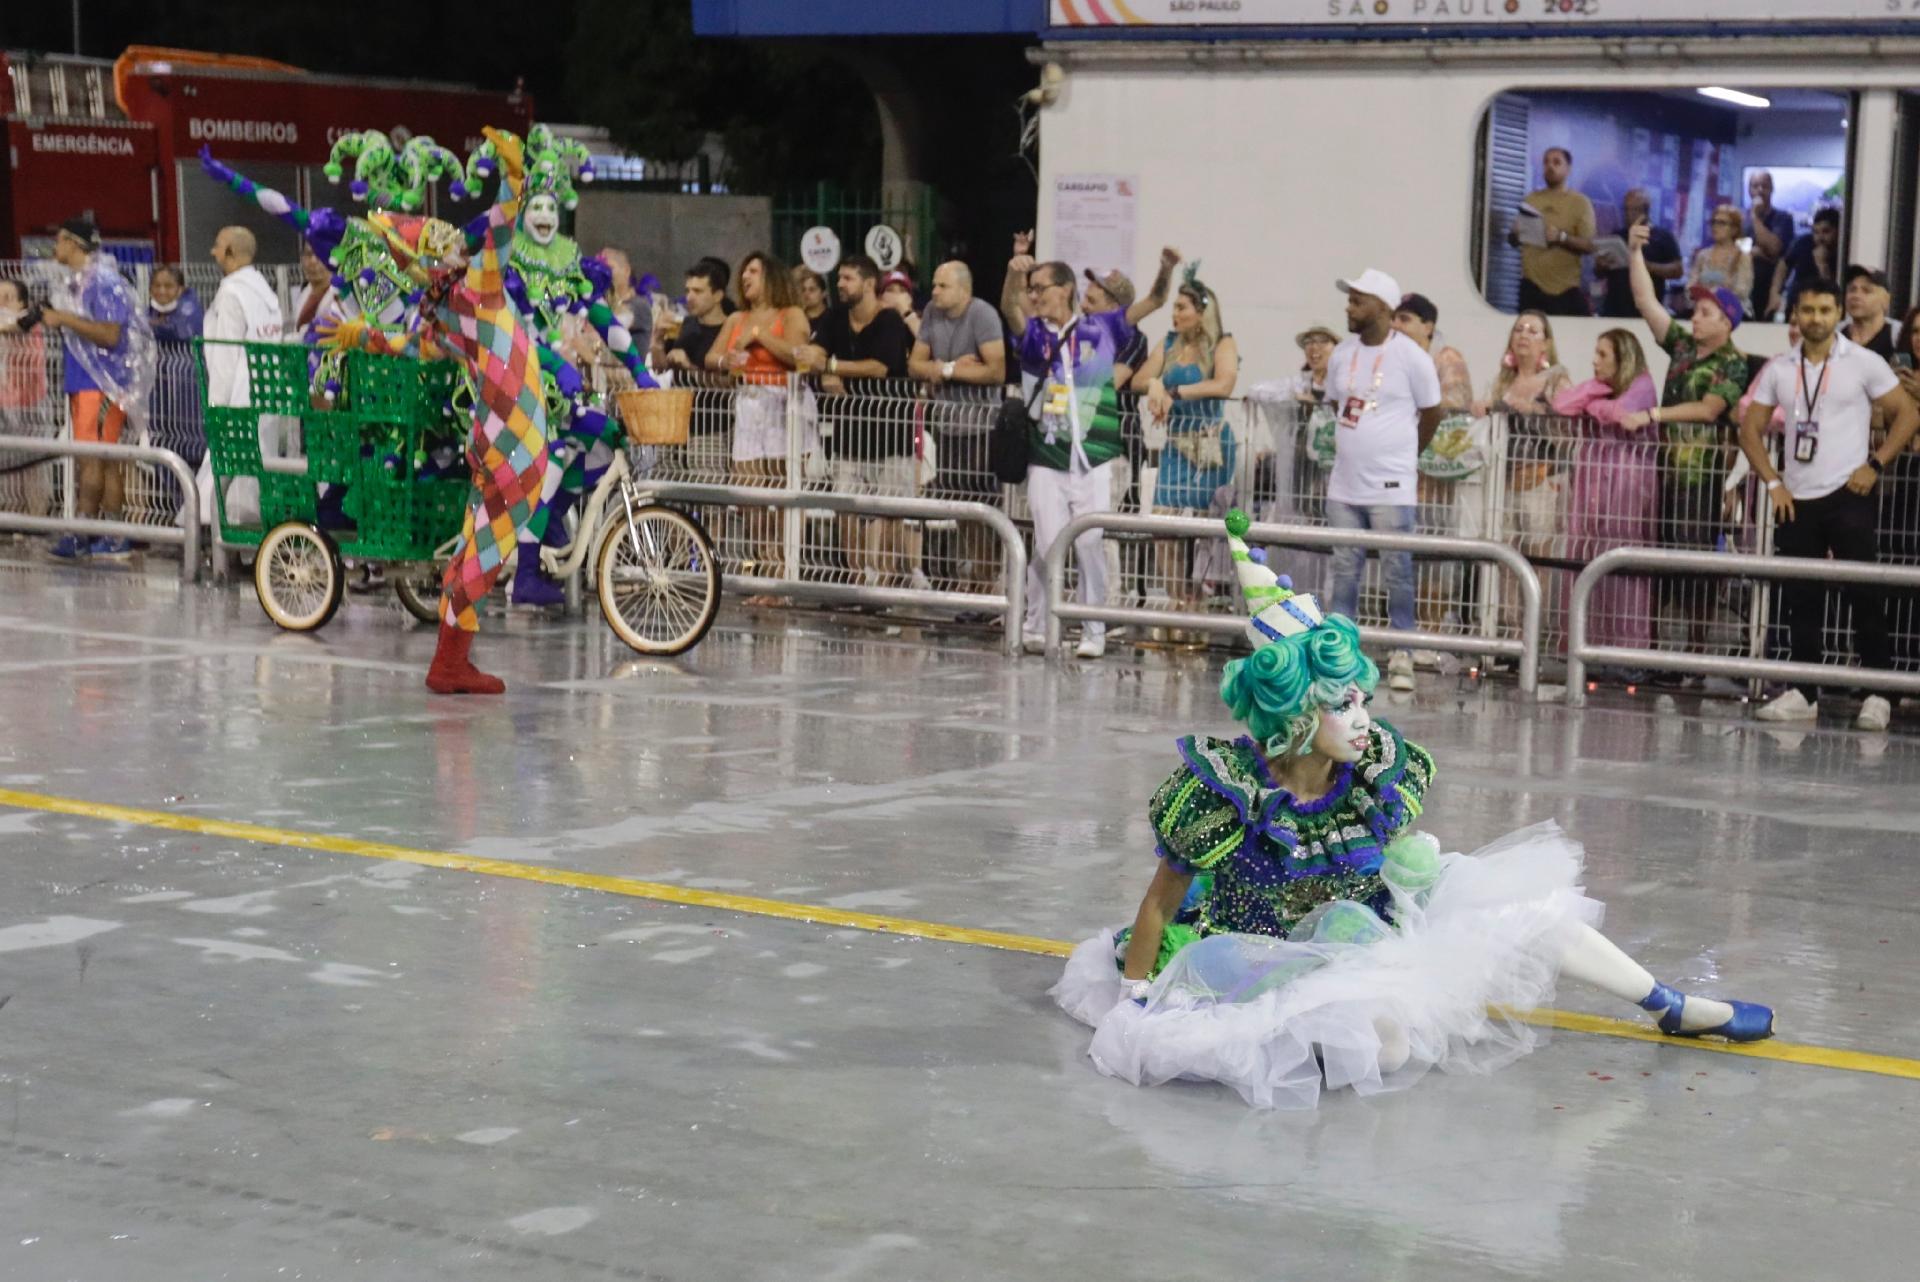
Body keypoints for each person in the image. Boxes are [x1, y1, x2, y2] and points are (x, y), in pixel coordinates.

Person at [1050, 510, 1773, 1110]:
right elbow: (1157, 905)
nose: (1362, 717)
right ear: (1295, 713)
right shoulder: (1229, 792)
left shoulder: (1370, 772)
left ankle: (1667, 1004)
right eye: (1342, 703)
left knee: (1527, 908)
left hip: (1370, 925)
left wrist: (1410, 866)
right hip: (1262, 957)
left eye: (1361, 697)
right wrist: (1137, 1000)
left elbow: (1387, 859)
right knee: (1388, 1045)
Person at [318, 128, 550, 694]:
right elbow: (499, 230)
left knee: (479, 547)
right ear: (434, 260)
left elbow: (412, 346)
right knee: (487, 552)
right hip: (514, 445)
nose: (457, 246)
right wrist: (513, 183)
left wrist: (365, 336)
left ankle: (454, 662)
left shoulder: (446, 309)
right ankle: (449, 665)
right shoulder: (475, 292)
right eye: (445, 243)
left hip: (494, 439)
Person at [1740, 277, 1920, 730]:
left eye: (1824, 310)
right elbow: (1750, 428)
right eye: (1807, 310)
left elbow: (1908, 413)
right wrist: (1772, 481)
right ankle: (1803, 689)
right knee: (1801, 595)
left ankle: (1879, 691)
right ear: (1796, 314)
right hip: (1796, 496)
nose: (1815, 319)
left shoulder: (1863, 362)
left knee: (1864, 592)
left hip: (1850, 492)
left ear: (1837, 311)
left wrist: (1876, 465)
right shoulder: (1781, 367)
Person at [1622, 220, 1751, 660]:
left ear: (1728, 322)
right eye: (1695, 311)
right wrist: (1635, 253)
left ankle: (1694, 653)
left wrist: (1654, 414)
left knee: (1696, 568)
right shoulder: (1680, 347)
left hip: (1701, 479)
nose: (1693, 318)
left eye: (1705, 313)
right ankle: (1656, 650)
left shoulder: (1734, 363)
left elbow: (1710, 409)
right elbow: (1645, 301)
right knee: (1660, 564)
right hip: (1666, 473)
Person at [1323, 269, 1444, 690]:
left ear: (1383, 307)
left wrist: (1406, 456)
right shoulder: (1342, 353)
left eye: (1358, 300)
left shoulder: (1411, 357)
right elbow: (1337, 403)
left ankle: (1402, 654)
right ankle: (1339, 655)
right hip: (1344, 484)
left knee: (1398, 571)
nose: (1349, 307)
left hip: (1392, 486)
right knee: (1343, 570)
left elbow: (1433, 412)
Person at [1008, 258, 1130, 658]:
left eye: (1040, 287)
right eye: (1031, 288)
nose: (1033, 296)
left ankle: (1093, 631)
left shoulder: (1100, 328)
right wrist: (1013, 274)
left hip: (1093, 456)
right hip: (1047, 456)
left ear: (1064, 288)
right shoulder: (1032, 336)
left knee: (1091, 544)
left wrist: (1165, 272)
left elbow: (1151, 303)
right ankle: (1036, 625)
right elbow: (1010, 306)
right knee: (1047, 545)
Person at [797, 254, 916, 593]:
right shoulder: (835, 318)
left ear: (868, 284)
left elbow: (881, 366)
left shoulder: (889, 321)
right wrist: (826, 370)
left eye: (847, 278)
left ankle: (890, 585)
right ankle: (855, 583)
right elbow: (810, 356)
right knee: (846, 509)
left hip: (891, 433)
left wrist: (833, 367)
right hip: (848, 434)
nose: (840, 284)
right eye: (839, 278)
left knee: (891, 512)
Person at [38, 215, 155, 559]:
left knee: (101, 460)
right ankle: (93, 531)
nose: (55, 247)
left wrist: (63, 318)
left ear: (73, 243)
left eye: (59, 240)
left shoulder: (103, 282)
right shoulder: (76, 282)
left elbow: (110, 334)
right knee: (93, 459)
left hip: (103, 384)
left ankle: (100, 532)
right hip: (85, 381)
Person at [1552, 329, 1660, 664]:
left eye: (1603, 355)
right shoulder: (1601, 388)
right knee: (1586, 557)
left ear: (1623, 358)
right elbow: (1561, 404)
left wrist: (1593, 404)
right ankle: (1586, 645)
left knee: (1623, 565)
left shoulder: (1642, 385)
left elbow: (1624, 415)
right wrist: (1597, 392)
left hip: (1628, 488)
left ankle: (1627, 652)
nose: (1594, 361)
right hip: (1593, 485)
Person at [709, 251, 813, 599]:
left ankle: (782, 576)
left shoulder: (791, 314)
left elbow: (800, 355)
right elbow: (713, 357)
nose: (745, 278)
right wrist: (730, 356)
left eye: (753, 271)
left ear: (771, 276)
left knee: (780, 494)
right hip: (749, 403)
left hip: (783, 407)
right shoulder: (736, 317)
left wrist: (761, 337)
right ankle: (764, 572)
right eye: (744, 272)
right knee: (751, 496)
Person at [1135, 268, 1240, 609]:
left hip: (1209, 444)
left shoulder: (1223, 343)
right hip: (1176, 445)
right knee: (1163, 522)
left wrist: (1173, 390)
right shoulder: (1168, 343)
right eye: (1175, 307)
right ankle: (1179, 600)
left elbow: (1224, 384)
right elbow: (1138, 380)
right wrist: (1154, 384)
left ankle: (1202, 599)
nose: (1175, 314)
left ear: (1202, 311)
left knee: (1205, 525)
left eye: (1182, 307)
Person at [908, 261, 1007, 594]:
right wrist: (953, 367)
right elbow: (915, 365)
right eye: (934, 284)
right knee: (962, 508)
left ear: (963, 290)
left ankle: (987, 580)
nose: (934, 292)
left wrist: (945, 370)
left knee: (983, 508)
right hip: (948, 426)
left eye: (942, 286)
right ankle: (978, 581)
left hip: (982, 427)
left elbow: (995, 371)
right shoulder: (932, 316)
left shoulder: (983, 315)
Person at [1392, 294, 1475, 645]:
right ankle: (1408, 638)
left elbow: (1455, 403)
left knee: (1434, 563)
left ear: (1428, 326)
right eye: (1394, 318)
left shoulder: (1445, 358)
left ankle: (1432, 636)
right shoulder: (1392, 357)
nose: (1396, 325)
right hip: (1403, 478)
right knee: (1406, 562)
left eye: (1406, 319)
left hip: (1435, 482)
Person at [145, 266, 207, 522]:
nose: (162, 292)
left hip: (187, 394)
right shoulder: (149, 312)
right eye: (156, 286)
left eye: (168, 286)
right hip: (160, 396)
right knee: (163, 449)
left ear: (180, 289)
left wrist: (150, 326)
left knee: (190, 450)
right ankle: (175, 513)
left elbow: (179, 330)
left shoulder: (191, 308)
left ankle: (192, 517)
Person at [1511, 146, 1595, 316]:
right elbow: (1513, 241)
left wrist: (1561, 237)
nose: (1550, 166)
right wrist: (1515, 234)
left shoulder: (1580, 203)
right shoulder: (1531, 200)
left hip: (1564, 291)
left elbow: (1590, 246)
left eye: (1557, 162)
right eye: (1546, 162)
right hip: (1531, 287)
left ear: (1568, 169)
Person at [0, 278, 55, 520]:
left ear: (22, 303)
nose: (1, 303)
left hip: (32, 405)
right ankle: (11, 518)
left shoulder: (29, 324)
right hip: (5, 405)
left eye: (7, 298)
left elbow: (15, 326)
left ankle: (37, 519)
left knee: (34, 465)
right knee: (8, 466)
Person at [1599, 190, 1682, 320]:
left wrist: (1646, 266)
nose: (1627, 214)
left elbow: (1677, 270)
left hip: (1646, 311)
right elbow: (1598, 273)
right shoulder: (1617, 236)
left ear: (1645, 211)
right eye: (1625, 209)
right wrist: (1602, 265)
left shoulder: (1662, 237)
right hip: (1614, 309)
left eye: (1632, 210)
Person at [1768, 208, 1840, 321]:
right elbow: (1784, 264)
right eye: (1816, 232)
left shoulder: (1842, 254)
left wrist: (1822, 265)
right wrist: (1774, 292)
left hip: (1821, 308)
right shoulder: (1805, 243)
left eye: (1826, 231)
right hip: (1795, 300)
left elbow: (1833, 293)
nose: (1820, 238)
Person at [1745, 172, 1797, 323]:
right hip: (1747, 287)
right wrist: (1758, 252)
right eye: (1755, 186)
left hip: (1772, 288)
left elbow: (1774, 249)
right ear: (1749, 190)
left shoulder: (1783, 219)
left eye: (1765, 186)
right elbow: (1739, 249)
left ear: (1772, 189)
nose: (1760, 190)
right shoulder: (1742, 219)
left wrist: (1755, 217)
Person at [1687, 204, 1754, 309]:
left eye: (1721, 223)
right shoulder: (1702, 255)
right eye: (1713, 222)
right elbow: (1690, 286)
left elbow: (1742, 291)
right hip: (1704, 309)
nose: (1715, 227)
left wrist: (1716, 296)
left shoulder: (1742, 256)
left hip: (1733, 312)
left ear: (1734, 229)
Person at [1841, 264, 1899, 361]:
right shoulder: (1834, 335)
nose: (1856, 296)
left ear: (1885, 299)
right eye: (1852, 290)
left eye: (1866, 291)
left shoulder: (1899, 336)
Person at [1292, 325, 1337, 403]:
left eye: (1323, 341)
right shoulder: (1298, 383)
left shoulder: (1348, 383)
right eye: (1308, 342)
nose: (1314, 347)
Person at [879, 269, 920, 340]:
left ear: (910, 298)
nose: (897, 295)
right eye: (890, 290)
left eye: (902, 290)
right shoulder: (873, 323)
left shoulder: (921, 322)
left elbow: (929, 344)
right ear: (880, 297)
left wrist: (907, 313)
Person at [792, 266, 831, 335]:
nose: (806, 294)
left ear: (824, 293)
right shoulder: (797, 319)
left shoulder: (833, 319)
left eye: (812, 289)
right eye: (803, 290)